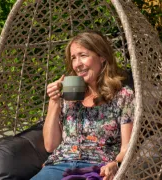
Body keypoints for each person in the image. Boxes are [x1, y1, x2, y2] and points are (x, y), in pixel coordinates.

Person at [31, 31, 135, 180]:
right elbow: (50, 146)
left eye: (83, 55)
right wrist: (54, 102)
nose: (77, 64)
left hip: (97, 167)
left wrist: (116, 164)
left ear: (102, 57)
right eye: (73, 58)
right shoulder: (68, 95)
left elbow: (127, 147)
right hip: (59, 165)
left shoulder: (123, 95)